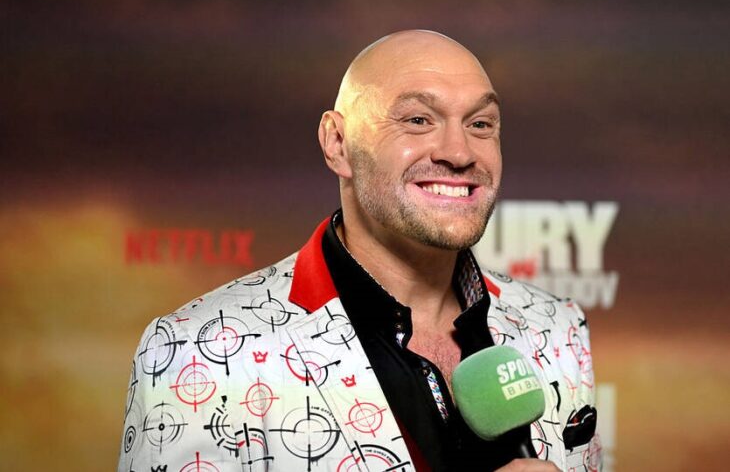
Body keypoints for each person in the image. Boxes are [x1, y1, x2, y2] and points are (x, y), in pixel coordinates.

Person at [118, 30, 601, 472]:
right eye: (418, 120)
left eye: (480, 123)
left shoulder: (558, 327)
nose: (459, 152)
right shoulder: (199, 353)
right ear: (338, 143)